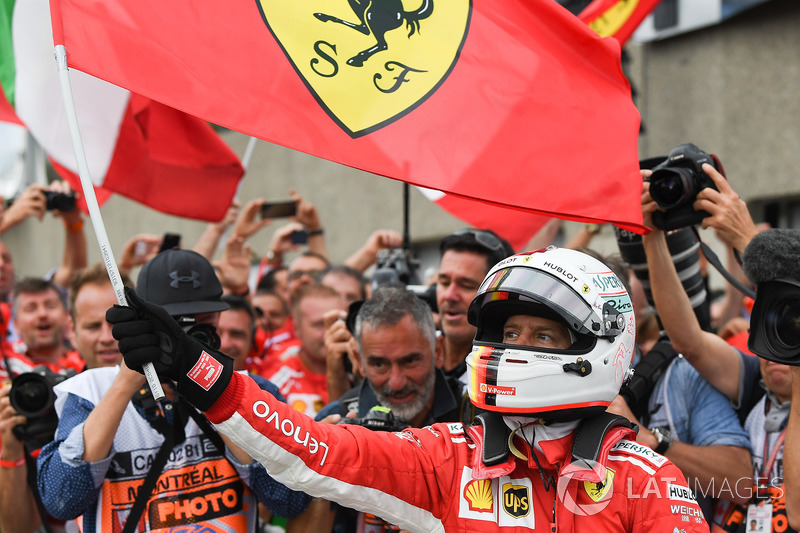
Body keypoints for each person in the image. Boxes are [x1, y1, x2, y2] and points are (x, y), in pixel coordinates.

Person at [108, 246, 707, 532]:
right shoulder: (453, 457)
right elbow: (316, 450)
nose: (516, 347)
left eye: (540, 335)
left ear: (598, 343)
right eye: (510, 331)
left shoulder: (644, 477)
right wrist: (195, 367)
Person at [36, 249, 309, 532]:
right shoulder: (90, 393)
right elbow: (61, 500)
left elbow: (289, 500)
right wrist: (126, 381)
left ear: (218, 316)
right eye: (174, 323)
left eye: (202, 322)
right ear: (142, 318)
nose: (187, 336)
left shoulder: (253, 390)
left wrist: (210, 389)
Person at [638, 163, 794, 532]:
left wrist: (747, 240)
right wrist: (652, 238)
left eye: (788, 332)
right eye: (764, 336)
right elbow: (688, 341)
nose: (773, 350)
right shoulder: (758, 384)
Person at [311, 286, 477, 531]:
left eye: (410, 361)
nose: (396, 381)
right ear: (358, 360)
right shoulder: (335, 419)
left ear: (438, 351)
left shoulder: (476, 421)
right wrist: (319, 478)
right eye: (379, 364)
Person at [435, 228, 513, 381]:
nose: (449, 295)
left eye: (466, 286)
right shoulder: (414, 352)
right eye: (444, 283)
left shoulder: (507, 375)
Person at [259, 283, 345, 416]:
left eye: (336, 322)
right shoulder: (275, 383)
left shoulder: (362, 367)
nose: (330, 332)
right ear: (296, 329)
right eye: (319, 324)